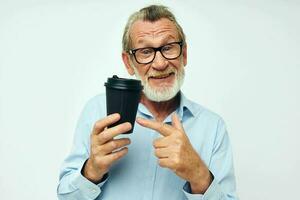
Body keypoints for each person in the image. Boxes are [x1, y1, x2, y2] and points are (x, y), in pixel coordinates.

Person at [57, 5, 238, 200]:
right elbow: (66, 197)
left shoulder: (213, 127)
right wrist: (92, 170)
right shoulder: (98, 111)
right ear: (128, 62)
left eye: (168, 48)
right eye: (145, 51)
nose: (160, 64)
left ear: (184, 54)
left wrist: (198, 174)